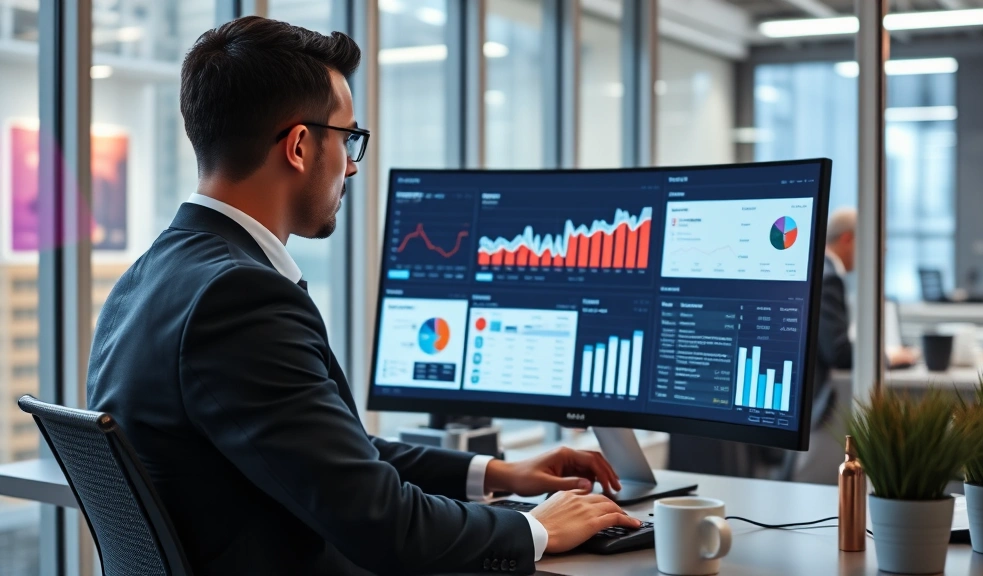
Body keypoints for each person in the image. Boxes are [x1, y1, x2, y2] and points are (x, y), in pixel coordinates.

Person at [86, 17, 640, 576]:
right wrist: (538, 527)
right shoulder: (239, 296)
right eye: (348, 138)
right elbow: (384, 524)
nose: (352, 164)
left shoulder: (149, 277)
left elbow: (329, 455)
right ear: (300, 146)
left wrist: (497, 473)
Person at [793, 208, 916, 483]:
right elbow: (836, 351)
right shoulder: (828, 276)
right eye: (873, 242)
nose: (879, 252)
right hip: (815, 404)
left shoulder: (814, 268)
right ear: (848, 239)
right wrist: (885, 356)